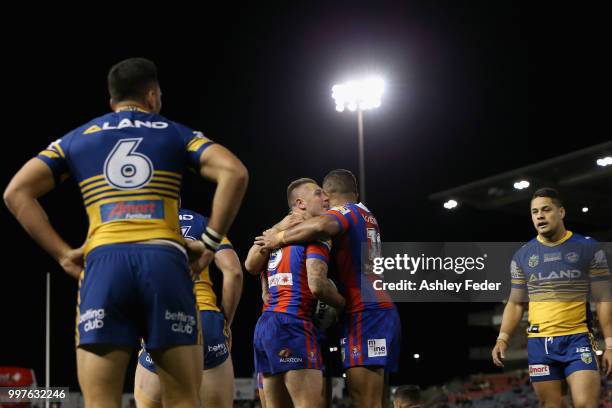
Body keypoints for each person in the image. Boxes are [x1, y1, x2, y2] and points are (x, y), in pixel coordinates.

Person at [3, 57, 248, 408]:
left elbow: (16, 193)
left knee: (100, 401)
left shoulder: (78, 138)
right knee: (183, 400)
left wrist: (61, 252)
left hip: (105, 261)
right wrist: (209, 242)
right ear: (152, 95)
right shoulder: (175, 132)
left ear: (111, 101)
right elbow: (234, 173)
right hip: (165, 260)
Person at [257, 169, 401, 408]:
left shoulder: (345, 212)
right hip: (380, 310)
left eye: (322, 196)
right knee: (376, 400)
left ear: (328, 194)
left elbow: (321, 226)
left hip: (364, 312)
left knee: (364, 401)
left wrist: (279, 236)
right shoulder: (366, 214)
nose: (322, 202)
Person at [492, 187, 612, 408]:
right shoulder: (522, 255)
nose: (539, 215)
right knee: (551, 405)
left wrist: (611, 345)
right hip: (539, 344)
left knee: (586, 404)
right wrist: (503, 338)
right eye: (535, 211)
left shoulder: (588, 248)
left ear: (562, 212)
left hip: (578, 339)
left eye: (546, 210)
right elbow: (516, 302)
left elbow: (604, 298)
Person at [245, 178, 345, 408]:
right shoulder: (316, 234)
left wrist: (278, 228)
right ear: (300, 203)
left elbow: (250, 265)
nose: (326, 198)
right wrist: (342, 303)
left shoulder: (275, 234)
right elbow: (317, 285)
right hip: (293, 324)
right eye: (319, 194)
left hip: (265, 327)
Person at [134, 207, 243, 408]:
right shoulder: (201, 222)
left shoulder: (137, 224)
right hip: (205, 318)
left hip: (162, 320)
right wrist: (226, 323)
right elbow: (234, 271)